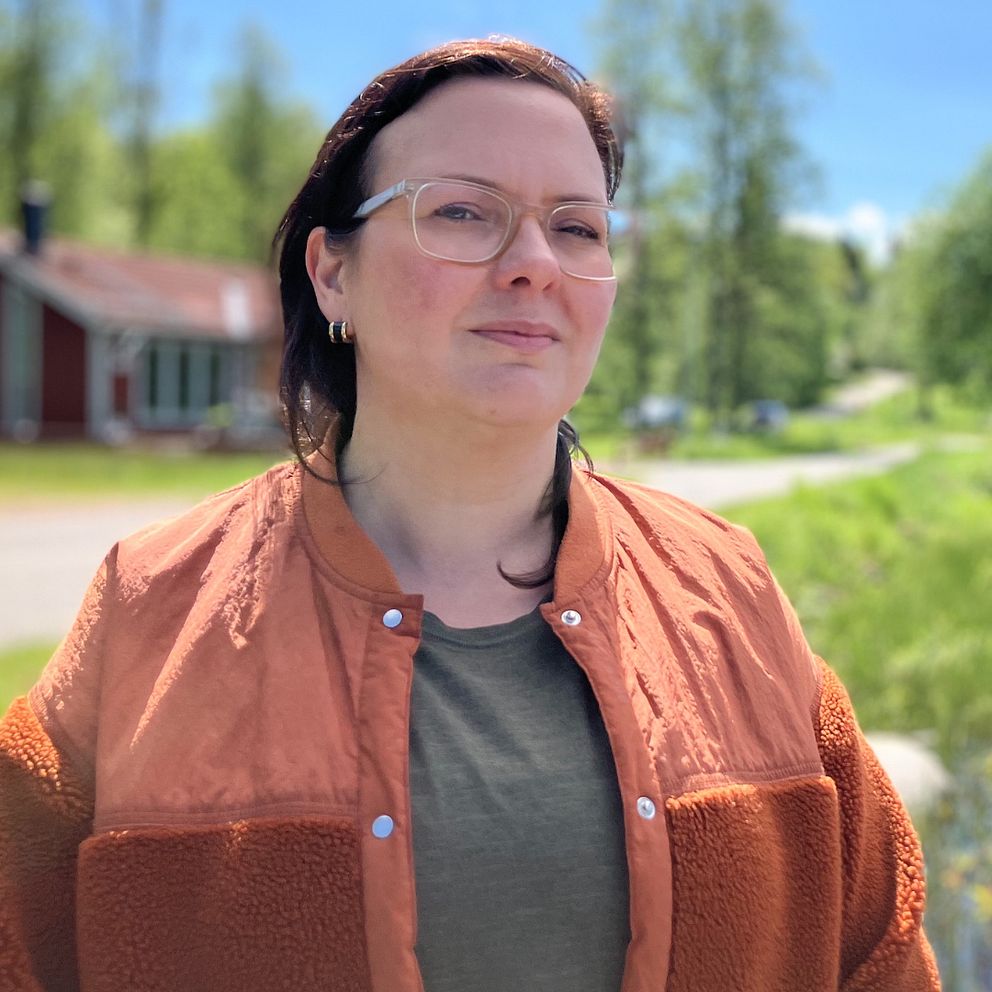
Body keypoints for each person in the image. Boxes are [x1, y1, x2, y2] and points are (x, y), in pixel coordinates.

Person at [0, 37, 940, 992]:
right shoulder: (152, 604)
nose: (535, 263)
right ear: (332, 273)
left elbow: (883, 957)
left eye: (578, 228)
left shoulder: (730, 587)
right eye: (461, 210)